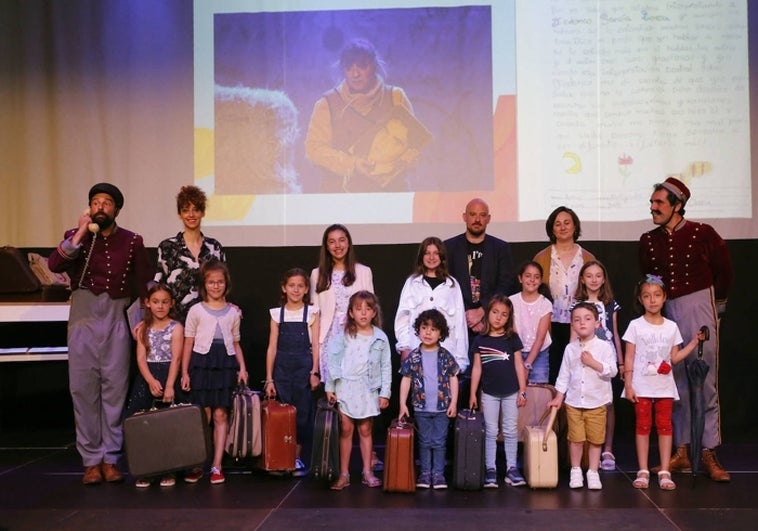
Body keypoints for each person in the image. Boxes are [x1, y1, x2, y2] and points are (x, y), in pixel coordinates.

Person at [47, 182, 153, 485]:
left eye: (107, 203)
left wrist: (144, 319)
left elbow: (144, 282)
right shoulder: (76, 238)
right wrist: (81, 232)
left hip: (116, 317)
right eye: (95, 202)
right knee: (82, 390)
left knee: (114, 390)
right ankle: (90, 460)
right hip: (83, 317)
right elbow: (55, 264)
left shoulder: (132, 241)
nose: (100, 207)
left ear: (116, 209)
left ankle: (110, 458)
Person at [640, 176, 733, 482]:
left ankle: (707, 450)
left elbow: (724, 272)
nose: (653, 207)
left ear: (677, 206)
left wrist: (715, 308)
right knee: (673, 380)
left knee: (704, 377)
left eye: (659, 203)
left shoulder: (702, 233)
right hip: (667, 310)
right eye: (652, 202)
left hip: (698, 305)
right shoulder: (648, 240)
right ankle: (681, 449)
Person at [305, 38, 425, 192]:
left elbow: (415, 143)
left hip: (389, 195)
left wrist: (404, 162)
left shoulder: (395, 97)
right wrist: (352, 164)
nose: (355, 74)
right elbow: (314, 149)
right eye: (349, 68)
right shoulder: (327, 104)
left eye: (362, 66)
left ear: (374, 66)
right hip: (342, 198)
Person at [622, 276, 705, 491]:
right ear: (640, 299)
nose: (652, 300)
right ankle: (642, 470)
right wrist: (629, 385)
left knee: (665, 426)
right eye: (647, 296)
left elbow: (675, 358)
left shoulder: (671, 327)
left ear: (664, 297)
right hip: (641, 386)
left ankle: (665, 471)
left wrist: (695, 342)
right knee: (642, 426)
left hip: (664, 388)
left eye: (657, 295)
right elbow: (629, 357)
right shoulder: (635, 326)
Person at [181, 260, 248, 485]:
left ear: (226, 284)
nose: (216, 286)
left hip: (224, 365)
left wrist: (243, 368)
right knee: (203, 415)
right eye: (211, 282)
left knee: (221, 415)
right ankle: (198, 463)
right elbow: (188, 343)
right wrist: (185, 372)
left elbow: (236, 344)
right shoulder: (196, 310)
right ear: (204, 284)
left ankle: (217, 465)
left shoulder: (232, 312)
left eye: (220, 282)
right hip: (201, 364)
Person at [445, 198, 515, 405]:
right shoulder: (449, 247)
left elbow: (506, 284)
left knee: (490, 375)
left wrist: (482, 311)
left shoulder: (500, 248)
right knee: (459, 375)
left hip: (490, 324)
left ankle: (486, 431)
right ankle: (459, 430)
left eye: (482, 215)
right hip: (458, 324)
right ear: (464, 217)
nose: (477, 219)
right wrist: (467, 314)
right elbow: (446, 284)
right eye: (473, 214)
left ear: (489, 219)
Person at [324, 291, 391, 490]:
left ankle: (367, 471)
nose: (363, 313)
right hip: (346, 387)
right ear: (351, 313)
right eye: (358, 309)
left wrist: (384, 392)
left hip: (368, 388)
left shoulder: (380, 338)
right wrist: (330, 387)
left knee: (365, 429)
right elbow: (333, 362)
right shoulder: (343, 336)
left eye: (368, 309)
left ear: (373, 312)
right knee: (346, 429)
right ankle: (344, 473)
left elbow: (386, 365)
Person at [547, 302, 617, 490]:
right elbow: (564, 375)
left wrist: (594, 363)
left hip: (597, 401)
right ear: (572, 324)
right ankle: (576, 470)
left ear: (597, 323)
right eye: (577, 320)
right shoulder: (570, 349)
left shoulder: (603, 347)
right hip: (574, 401)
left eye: (587, 319)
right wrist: (558, 396)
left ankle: (593, 472)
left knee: (595, 440)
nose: (582, 323)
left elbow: (612, 371)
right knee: (576, 439)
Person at [123, 283, 185, 488]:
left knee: (168, 427)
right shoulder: (143, 328)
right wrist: (150, 380)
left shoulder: (176, 327)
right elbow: (140, 358)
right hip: (147, 377)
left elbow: (176, 358)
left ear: (172, 304)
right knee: (143, 426)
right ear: (147, 303)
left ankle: (170, 470)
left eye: (165, 302)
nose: (160, 306)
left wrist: (169, 385)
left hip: (168, 375)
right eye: (156, 302)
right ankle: (146, 470)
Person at [264, 268, 321, 477]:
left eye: (300, 286)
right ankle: (281, 458)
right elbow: (272, 347)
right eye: (291, 286)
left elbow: (315, 345)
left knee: (302, 415)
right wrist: (269, 379)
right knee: (282, 414)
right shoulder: (276, 313)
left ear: (306, 289)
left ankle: (296, 457)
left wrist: (315, 371)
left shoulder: (311, 313)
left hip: (303, 368)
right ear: (284, 287)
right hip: (282, 368)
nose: (295, 290)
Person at [469, 295, 527, 488]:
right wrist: (472, 393)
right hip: (489, 393)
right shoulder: (480, 340)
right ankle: (490, 469)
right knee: (491, 431)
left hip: (511, 391)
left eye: (504, 315)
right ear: (488, 313)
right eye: (495, 312)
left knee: (510, 430)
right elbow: (477, 369)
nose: (498, 318)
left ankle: (511, 469)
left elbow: (519, 365)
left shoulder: (512, 339)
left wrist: (522, 391)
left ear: (509, 318)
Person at [398, 309, 460, 490]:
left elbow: (453, 378)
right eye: (424, 328)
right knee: (424, 441)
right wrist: (402, 404)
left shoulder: (446, 356)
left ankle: (438, 474)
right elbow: (406, 379)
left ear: (441, 333)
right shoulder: (414, 356)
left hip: (442, 408)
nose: (427, 332)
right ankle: (425, 473)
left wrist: (454, 402)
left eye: (433, 329)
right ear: (418, 330)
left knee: (439, 442)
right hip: (421, 407)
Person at [534, 206, 596, 384]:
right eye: (558, 224)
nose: (563, 227)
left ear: (575, 226)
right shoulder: (541, 258)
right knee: (554, 374)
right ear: (551, 229)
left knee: (577, 374)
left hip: (579, 324)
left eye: (567, 223)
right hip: (550, 325)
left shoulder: (587, 257)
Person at [571, 260, 623, 471]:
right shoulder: (576, 305)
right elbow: (573, 335)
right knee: (584, 405)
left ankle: (607, 448)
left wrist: (621, 362)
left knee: (606, 404)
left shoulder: (611, 304)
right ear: (582, 279)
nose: (593, 280)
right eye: (589, 276)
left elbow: (616, 335)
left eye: (598, 275)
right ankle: (583, 450)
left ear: (603, 279)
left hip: (605, 360)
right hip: (583, 359)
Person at [394, 236, 468, 372]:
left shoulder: (452, 285)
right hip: (416, 352)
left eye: (436, 253)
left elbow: (459, 324)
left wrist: (461, 360)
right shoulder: (412, 283)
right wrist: (405, 347)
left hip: (445, 354)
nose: (431, 257)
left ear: (442, 257)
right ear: (421, 256)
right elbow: (402, 318)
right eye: (427, 253)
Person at [154, 185, 226, 324]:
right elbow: (159, 285)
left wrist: (228, 309)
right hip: (176, 322)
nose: (191, 215)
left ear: (203, 212)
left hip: (209, 320)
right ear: (179, 214)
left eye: (196, 210)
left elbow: (222, 284)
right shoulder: (167, 247)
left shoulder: (214, 247)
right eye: (186, 210)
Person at [509, 261, 552, 385]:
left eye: (536, 277)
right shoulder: (511, 301)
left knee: (538, 389)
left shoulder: (545, 303)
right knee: (515, 387)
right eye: (528, 276)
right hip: (516, 351)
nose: (532, 280)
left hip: (540, 352)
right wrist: (520, 362)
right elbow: (513, 333)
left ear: (540, 280)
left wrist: (527, 365)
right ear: (520, 278)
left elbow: (540, 338)